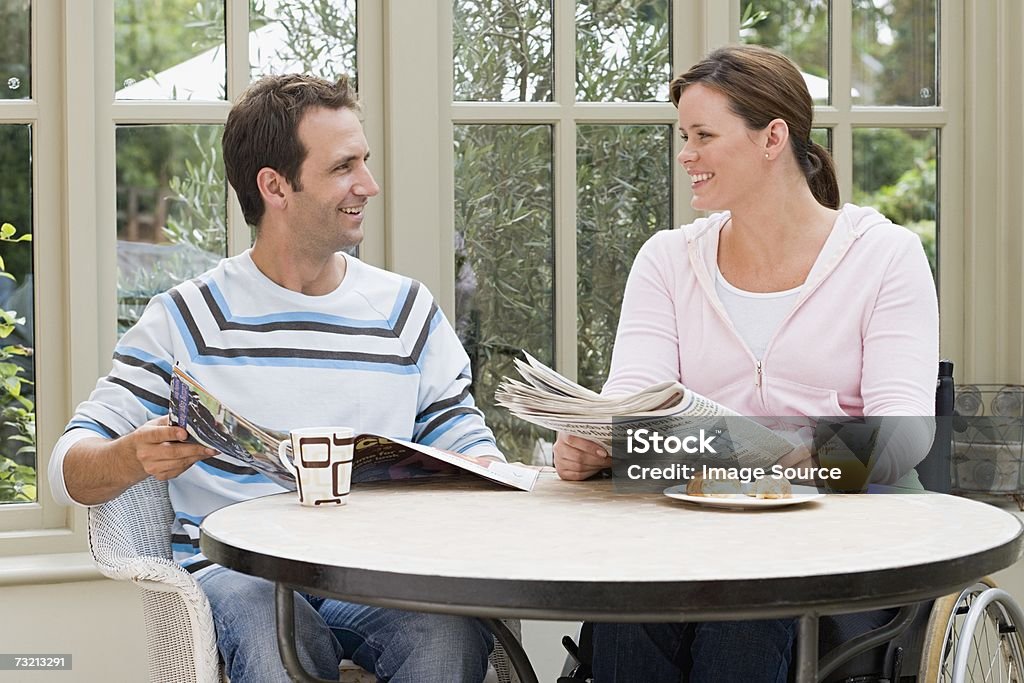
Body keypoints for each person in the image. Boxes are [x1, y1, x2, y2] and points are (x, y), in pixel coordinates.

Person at [49, 74, 501, 683]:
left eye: (364, 161)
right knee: (270, 629)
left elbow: (466, 443)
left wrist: (492, 475)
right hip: (240, 578)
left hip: (374, 574)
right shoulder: (188, 319)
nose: (369, 185)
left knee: (447, 634)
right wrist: (133, 456)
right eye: (344, 167)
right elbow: (68, 469)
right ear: (275, 186)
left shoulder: (405, 313)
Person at [553, 45, 938, 682]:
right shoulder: (668, 260)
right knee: (627, 602)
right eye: (683, 136)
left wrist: (797, 454)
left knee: (751, 599)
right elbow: (632, 405)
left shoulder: (885, 257)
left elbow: (904, 436)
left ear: (772, 138)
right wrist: (598, 443)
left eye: (704, 135)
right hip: (689, 532)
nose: (686, 154)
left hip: (842, 542)